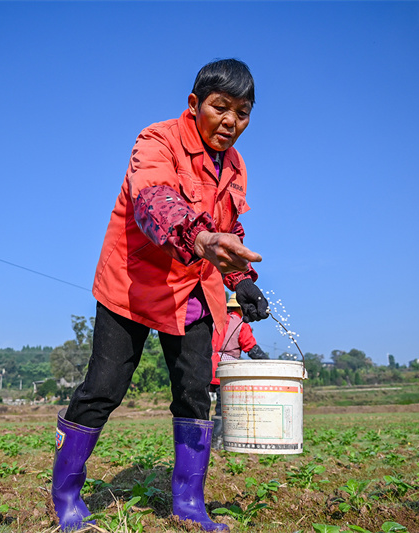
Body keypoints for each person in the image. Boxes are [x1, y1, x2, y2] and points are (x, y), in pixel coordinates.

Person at [52, 59, 269, 532]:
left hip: (194, 288)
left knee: (194, 394)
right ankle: (66, 496)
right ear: (195, 105)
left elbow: (227, 230)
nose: (232, 121)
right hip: (133, 283)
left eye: (244, 112)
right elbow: (154, 202)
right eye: (221, 107)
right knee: (103, 390)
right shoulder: (157, 141)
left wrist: (243, 280)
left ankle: (189, 504)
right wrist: (203, 239)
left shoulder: (235, 166)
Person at [209, 293, 269, 450]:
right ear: (242, 308)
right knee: (224, 408)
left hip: (207, 367)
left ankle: (205, 442)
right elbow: (252, 349)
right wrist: (268, 365)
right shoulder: (240, 325)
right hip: (226, 371)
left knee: (204, 406)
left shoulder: (216, 320)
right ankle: (219, 443)